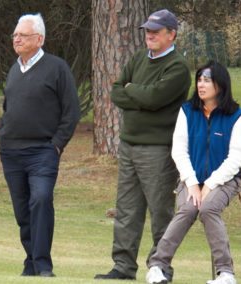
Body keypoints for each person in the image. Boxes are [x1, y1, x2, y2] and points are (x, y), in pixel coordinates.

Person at [95, 9, 191, 281]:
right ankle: (123, 268)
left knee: (160, 212)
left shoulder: (178, 67)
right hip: (129, 146)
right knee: (126, 209)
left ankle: (160, 269)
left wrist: (131, 89)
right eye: (147, 29)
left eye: (156, 31)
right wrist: (134, 92)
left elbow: (154, 98)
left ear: (171, 35)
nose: (149, 34)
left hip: (158, 150)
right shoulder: (138, 58)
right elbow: (116, 91)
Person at [146, 61, 241, 284]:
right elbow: (179, 150)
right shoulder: (187, 112)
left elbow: (237, 158)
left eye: (207, 80)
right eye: (199, 80)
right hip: (190, 178)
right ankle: (157, 266)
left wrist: (210, 184)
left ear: (220, 85)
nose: (201, 85)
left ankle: (226, 273)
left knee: (209, 208)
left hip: (225, 180)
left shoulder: (236, 116)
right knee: (189, 208)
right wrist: (192, 183)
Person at [0, 13, 80, 277]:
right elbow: (8, 108)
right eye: (15, 35)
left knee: (41, 201)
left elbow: (72, 111)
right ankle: (31, 261)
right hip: (11, 152)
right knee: (22, 210)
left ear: (39, 39)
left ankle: (43, 265)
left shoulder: (56, 67)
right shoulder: (14, 69)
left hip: (42, 151)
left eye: (22, 35)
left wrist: (56, 145)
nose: (17, 39)